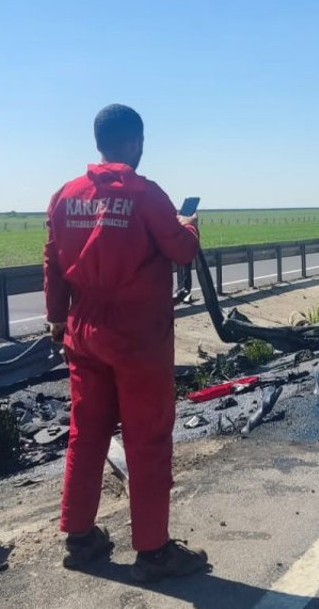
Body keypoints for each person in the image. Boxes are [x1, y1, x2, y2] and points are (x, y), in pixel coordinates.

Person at [43, 103, 208, 582]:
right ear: (135, 142)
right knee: (147, 437)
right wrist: (190, 224)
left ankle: (79, 538)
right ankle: (154, 553)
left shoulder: (65, 196)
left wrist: (56, 318)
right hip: (137, 337)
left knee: (86, 431)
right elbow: (181, 250)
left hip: (83, 330)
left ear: (99, 143)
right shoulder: (145, 194)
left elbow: (52, 261)